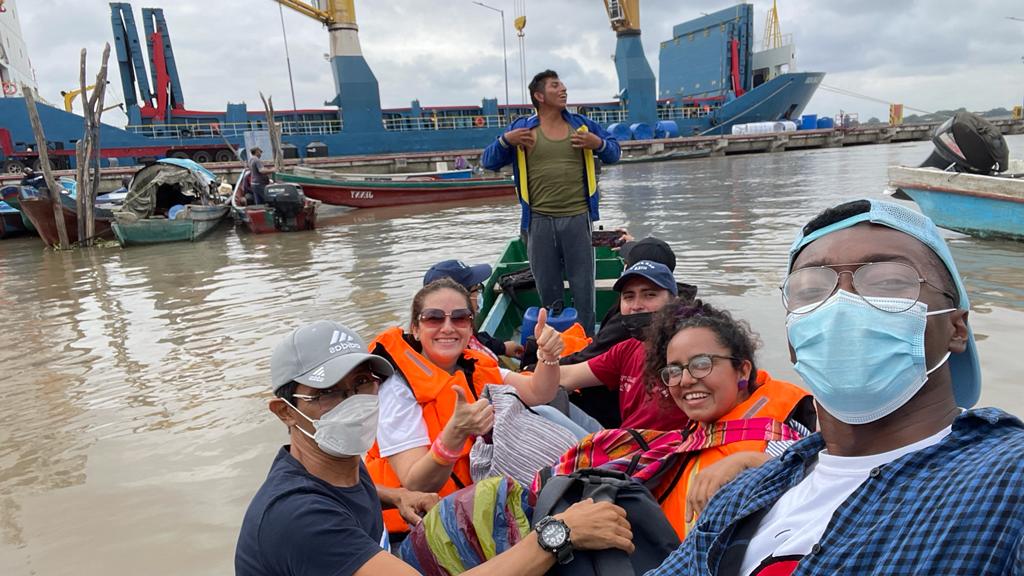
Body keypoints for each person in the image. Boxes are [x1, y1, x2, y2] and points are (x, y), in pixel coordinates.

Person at [647, 199, 1024, 576]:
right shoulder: (744, 493)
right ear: (793, 338)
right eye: (811, 290)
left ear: (956, 329)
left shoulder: (1006, 480)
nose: (842, 304)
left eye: (889, 282)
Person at [235, 320, 634, 576]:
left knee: (494, 500)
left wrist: (396, 495)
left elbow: (345, 488)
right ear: (285, 412)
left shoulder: (327, 464)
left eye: (362, 384)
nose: (353, 402)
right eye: (328, 393)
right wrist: (559, 534)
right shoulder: (298, 519)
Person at [366, 278, 566, 534]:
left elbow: (539, 392)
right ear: (415, 328)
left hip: (479, 496)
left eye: (460, 318)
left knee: (547, 411)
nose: (448, 327)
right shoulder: (397, 389)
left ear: (471, 327)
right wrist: (455, 435)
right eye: (434, 318)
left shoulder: (473, 364)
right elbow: (416, 485)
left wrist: (548, 357)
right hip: (422, 525)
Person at [640, 299, 813, 540]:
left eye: (702, 364)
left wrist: (751, 461)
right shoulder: (697, 432)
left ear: (742, 371)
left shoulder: (779, 435)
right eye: (675, 370)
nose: (685, 380)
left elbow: (820, 482)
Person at [481, 69, 622, 335]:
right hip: (538, 220)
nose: (563, 89)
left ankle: (585, 339)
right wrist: (505, 141)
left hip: (578, 217)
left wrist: (598, 143)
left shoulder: (581, 126)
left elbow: (615, 153)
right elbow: (488, 161)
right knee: (547, 286)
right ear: (539, 96)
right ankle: (554, 340)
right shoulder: (522, 129)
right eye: (555, 86)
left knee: (583, 287)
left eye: (563, 85)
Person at [558, 260, 689, 430]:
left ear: (674, 302)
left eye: (650, 295)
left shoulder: (689, 352)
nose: (636, 306)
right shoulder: (627, 349)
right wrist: (546, 356)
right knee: (544, 407)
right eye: (629, 297)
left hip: (665, 445)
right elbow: (566, 376)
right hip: (623, 440)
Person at [423, 259, 523, 360]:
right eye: (476, 289)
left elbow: (477, 338)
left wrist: (502, 347)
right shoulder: (459, 354)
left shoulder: (463, 332)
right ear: (461, 299)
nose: (479, 294)